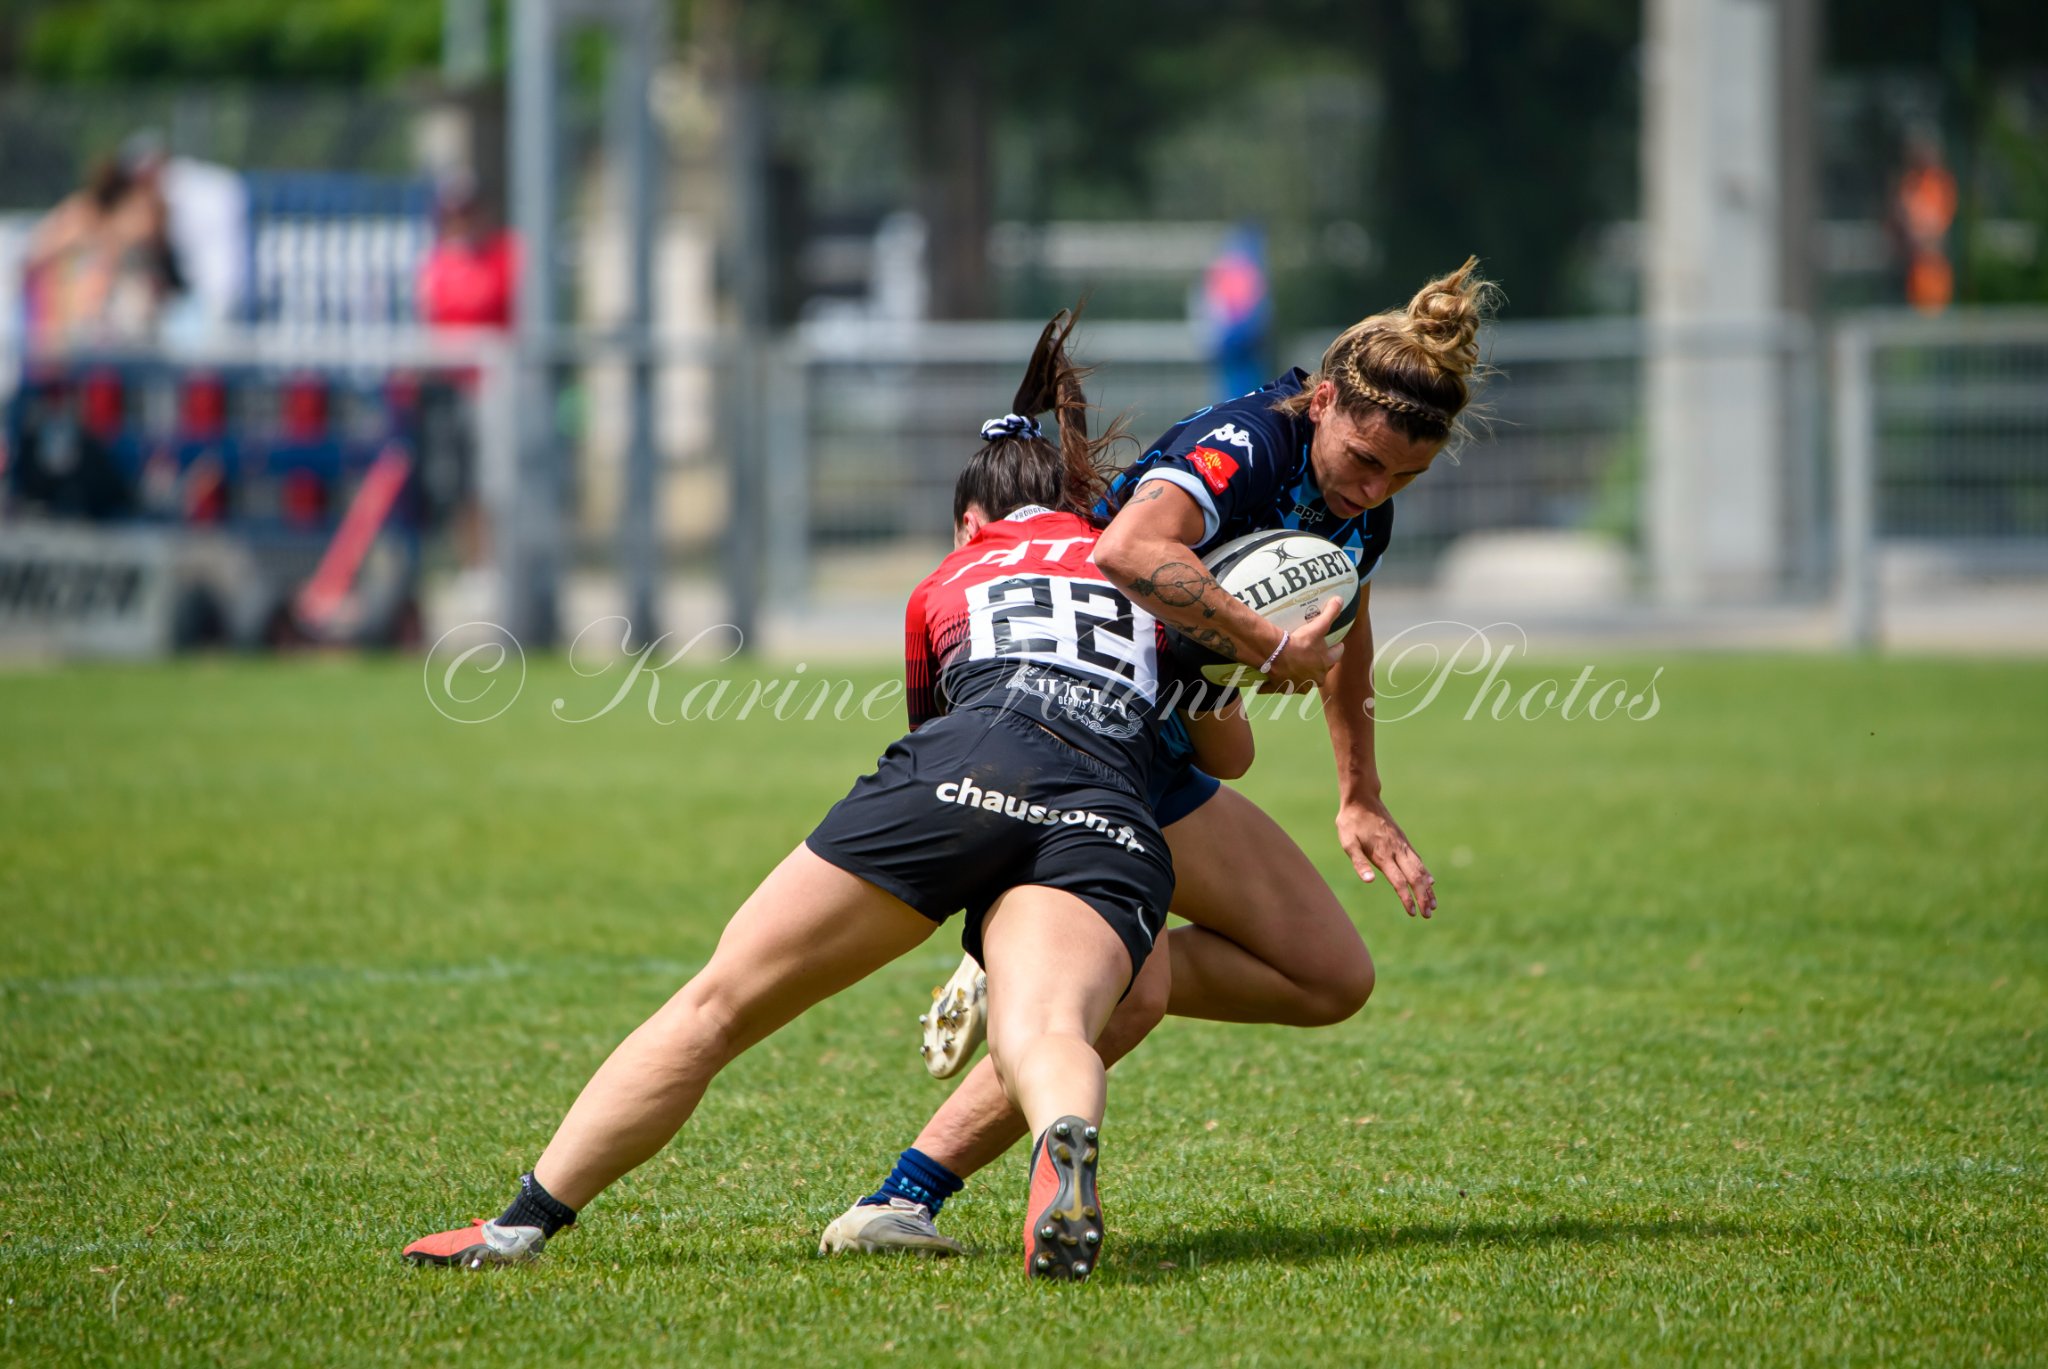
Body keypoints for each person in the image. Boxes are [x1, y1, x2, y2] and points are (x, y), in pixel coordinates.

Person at [400, 308, 1293, 1282]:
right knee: (1048, 1028)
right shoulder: (1150, 574)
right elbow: (1228, 754)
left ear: (970, 520)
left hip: (966, 766)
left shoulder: (952, 574)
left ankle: (516, 1225)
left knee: (716, 1006)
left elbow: (950, 752)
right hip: (1112, 805)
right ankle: (1062, 1136)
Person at [819, 258, 1496, 1256]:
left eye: (1402, 476)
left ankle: (1040, 975)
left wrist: (1360, 793)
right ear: (1320, 401)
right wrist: (1265, 644)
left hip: (1168, 741)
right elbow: (1126, 550)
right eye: (1364, 460)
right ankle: (905, 1196)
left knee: (1328, 975)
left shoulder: (1364, 501)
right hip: (1087, 730)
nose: (1373, 489)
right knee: (1124, 1002)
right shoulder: (1243, 445)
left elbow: (1346, 622)